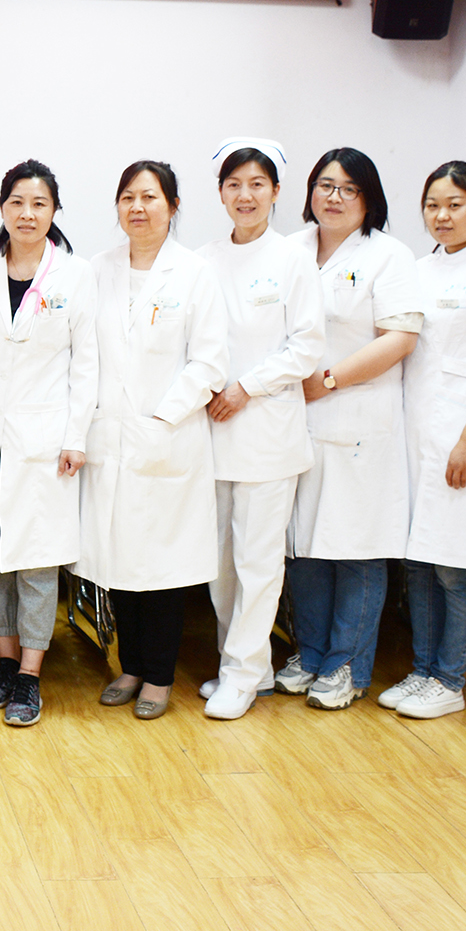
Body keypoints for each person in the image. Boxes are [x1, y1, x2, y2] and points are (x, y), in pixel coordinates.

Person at [78, 162, 228, 720]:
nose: (137, 208)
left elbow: (209, 360)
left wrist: (161, 417)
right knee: (118, 562)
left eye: (149, 197)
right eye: (127, 198)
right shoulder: (98, 269)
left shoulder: (195, 273)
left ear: (172, 206)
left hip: (168, 437)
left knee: (162, 567)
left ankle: (160, 677)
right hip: (110, 437)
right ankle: (131, 666)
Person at [0, 161, 99, 728]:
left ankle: (30, 676)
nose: (27, 213)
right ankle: (5, 662)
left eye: (39, 204)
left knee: (37, 563)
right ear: (2, 208)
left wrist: (76, 436)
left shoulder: (76, 275)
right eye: (17, 202)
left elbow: (86, 363)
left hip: (46, 441)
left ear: (54, 211)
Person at [282, 148, 422, 711]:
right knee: (306, 546)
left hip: (359, 416)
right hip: (298, 418)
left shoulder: (388, 255)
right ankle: (310, 653)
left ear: (369, 199)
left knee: (357, 547)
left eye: (348, 188)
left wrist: (329, 380)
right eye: (324, 185)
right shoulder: (290, 249)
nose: (334, 197)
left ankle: (347, 665)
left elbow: (400, 338)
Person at [383, 160, 466, 720]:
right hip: (418, 432)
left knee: (458, 567)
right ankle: (422, 671)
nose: (442, 215)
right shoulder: (418, 270)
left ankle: (449, 679)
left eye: (455, 205)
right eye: (433, 205)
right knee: (419, 562)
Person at [196, 139, 326, 720]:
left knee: (258, 561)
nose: (244, 195)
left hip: (267, 433)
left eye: (256, 184)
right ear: (221, 193)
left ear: (275, 192)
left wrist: (246, 387)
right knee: (220, 563)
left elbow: (307, 347)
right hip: (211, 432)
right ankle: (247, 665)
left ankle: (243, 675)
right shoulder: (203, 260)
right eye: (234, 185)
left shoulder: (293, 258)